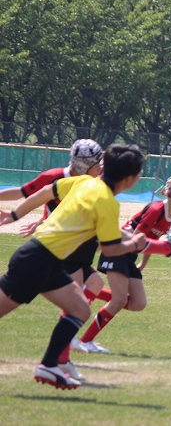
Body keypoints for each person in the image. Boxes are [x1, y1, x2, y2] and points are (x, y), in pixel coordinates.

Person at [0, 144, 149, 390]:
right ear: (130, 179)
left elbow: (46, 192)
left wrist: (14, 215)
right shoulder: (108, 202)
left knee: (80, 309)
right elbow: (110, 249)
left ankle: (49, 365)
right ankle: (50, 364)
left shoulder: (84, 182)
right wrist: (134, 244)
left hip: (46, 260)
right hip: (37, 260)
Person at [0, 139, 108, 380]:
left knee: (91, 288)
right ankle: (61, 359)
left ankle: (61, 357)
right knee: (77, 304)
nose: (101, 167)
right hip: (55, 250)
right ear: (88, 165)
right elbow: (24, 192)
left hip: (70, 248)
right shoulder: (57, 177)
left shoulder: (93, 183)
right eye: (97, 162)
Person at [77, 172, 171, 353]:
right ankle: (86, 341)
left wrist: (144, 263)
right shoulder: (156, 209)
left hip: (130, 255)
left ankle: (92, 291)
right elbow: (136, 239)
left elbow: (151, 239)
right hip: (119, 250)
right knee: (119, 300)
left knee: (139, 303)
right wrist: (166, 248)